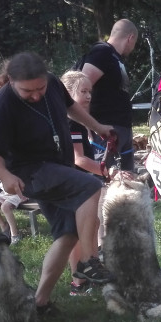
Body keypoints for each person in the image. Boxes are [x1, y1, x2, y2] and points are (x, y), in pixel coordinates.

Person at [0, 52, 116, 316]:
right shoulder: (3, 104)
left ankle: (39, 303)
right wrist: (6, 177)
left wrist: (97, 126)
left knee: (68, 234)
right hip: (29, 171)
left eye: (40, 88)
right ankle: (89, 261)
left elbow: (70, 107)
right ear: (11, 81)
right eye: (27, 91)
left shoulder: (53, 83)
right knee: (90, 186)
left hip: (59, 167)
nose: (36, 95)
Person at [60, 69, 109, 297]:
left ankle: (88, 274)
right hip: (73, 183)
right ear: (68, 94)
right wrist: (108, 172)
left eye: (90, 91)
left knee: (92, 225)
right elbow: (78, 159)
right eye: (83, 91)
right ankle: (78, 282)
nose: (89, 96)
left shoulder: (77, 122)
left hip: (76, 182)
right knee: (77, 232)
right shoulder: (73, 124)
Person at [76, 19, 138, 172]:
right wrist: (88, 125)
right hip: (104, 131)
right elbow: (80, 88)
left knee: (127, 182)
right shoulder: (101, 52)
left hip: (121, 129)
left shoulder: (114, 57)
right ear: (130, 38)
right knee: (104, 181)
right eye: (134, 42)